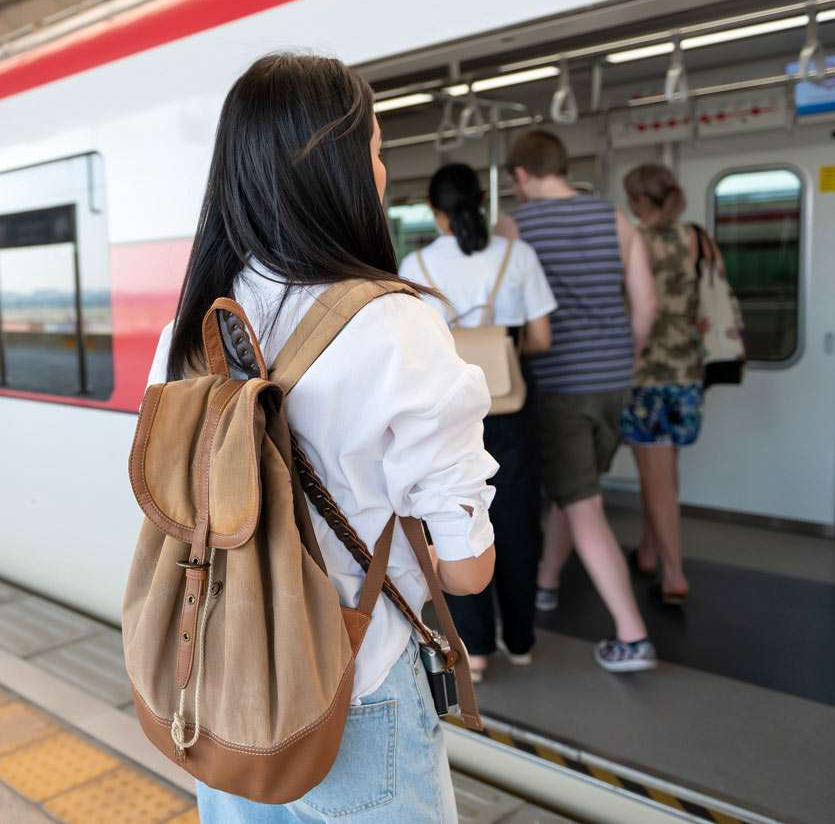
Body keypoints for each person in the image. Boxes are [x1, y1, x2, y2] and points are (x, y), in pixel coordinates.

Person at [146, 54, 497, 823]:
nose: (380, 167)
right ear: (339, 168)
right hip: (353, 690)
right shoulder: (395, 322)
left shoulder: (191, 325)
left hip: (216, 678)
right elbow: (467, 572)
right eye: (374, 147)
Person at [495, 130, 659, 672]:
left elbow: (504, 311)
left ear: (520, 175)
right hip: (615, 382)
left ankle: (632, 636)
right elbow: (646, 307)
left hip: (559, 385)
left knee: (583, 505)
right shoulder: (617, 220)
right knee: (578, 487)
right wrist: (623, 357)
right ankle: (546, 583)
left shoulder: (515, 226)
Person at [400, 163, 556, 682]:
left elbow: (412, 350)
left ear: (435, 213)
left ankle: (476, 646)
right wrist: (501, 348)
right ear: (483, 199)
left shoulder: (415, 264)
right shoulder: (519, 256)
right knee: (516, 517)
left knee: (454, 517)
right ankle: (522, 639)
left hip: (445, 410)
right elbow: (541, 339)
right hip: (509, 405)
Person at [619, 163, 718, 604]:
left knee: (655, 477)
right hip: (689, 374)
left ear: (640, 200)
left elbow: (635, 307)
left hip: (648, 375)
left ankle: (674, 573)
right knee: (666, 469)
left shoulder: (636, 242)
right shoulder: (699, 237)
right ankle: (648, 548)